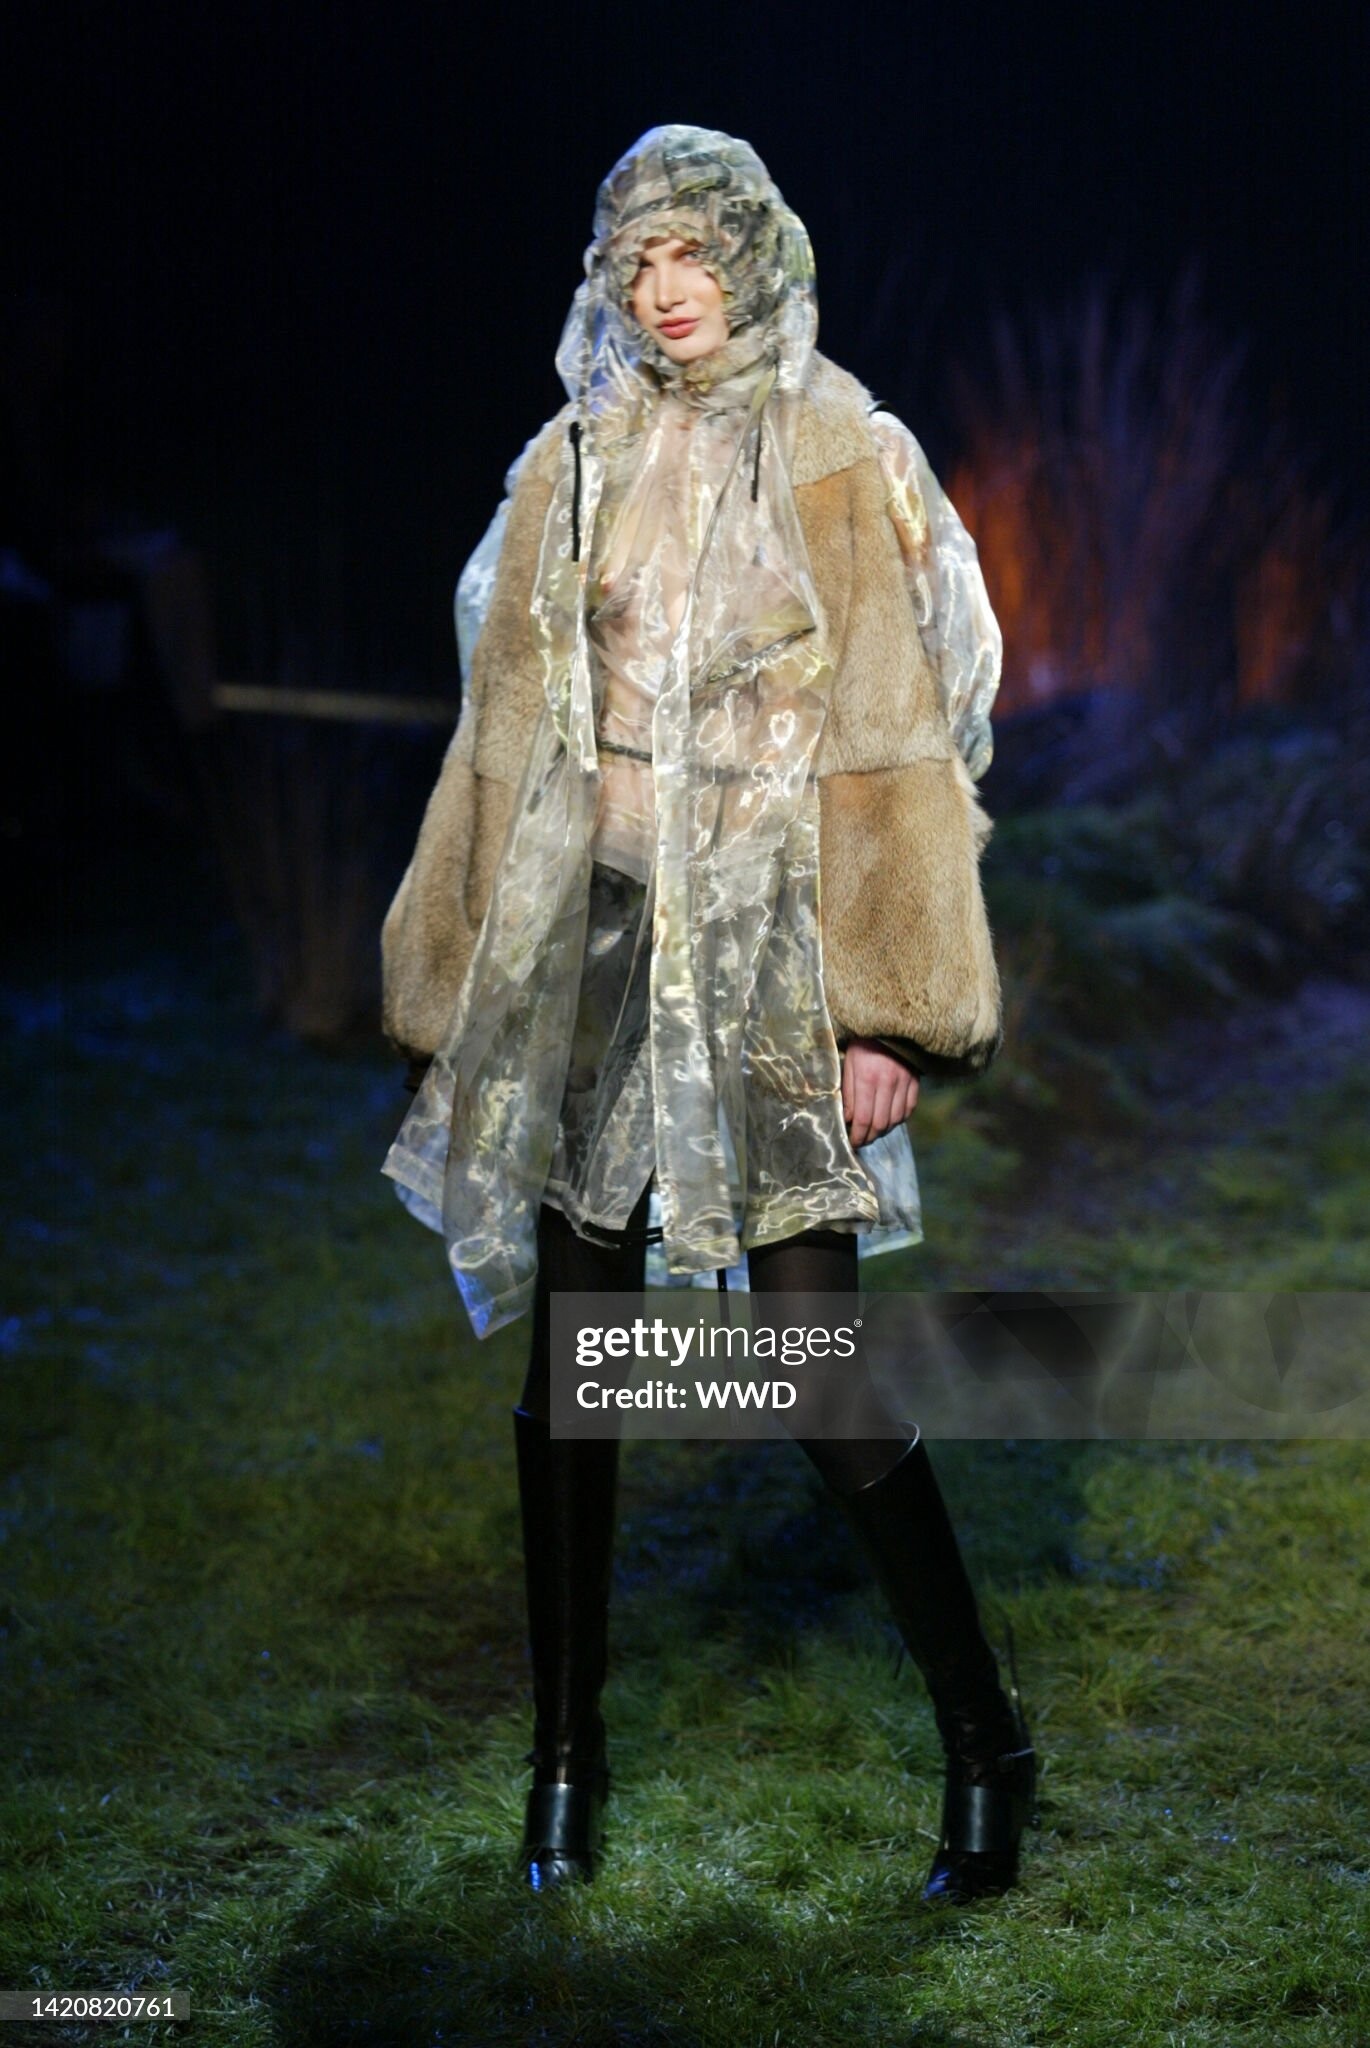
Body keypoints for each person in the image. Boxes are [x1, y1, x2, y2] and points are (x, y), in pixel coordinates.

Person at [379, 125, 1036, 1904]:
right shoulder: (570, 461)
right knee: (572, 1371)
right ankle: (564, 1763)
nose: (666, 293)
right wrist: (461, 969)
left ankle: (985, 1741)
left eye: (693, 255)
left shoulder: (843, 449)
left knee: (813, 1370)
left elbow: (927, 717)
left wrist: (886, 1011)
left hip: (772, 960)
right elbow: (499, 725)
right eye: (637, 263)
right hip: (594, 950)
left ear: (753, 256)